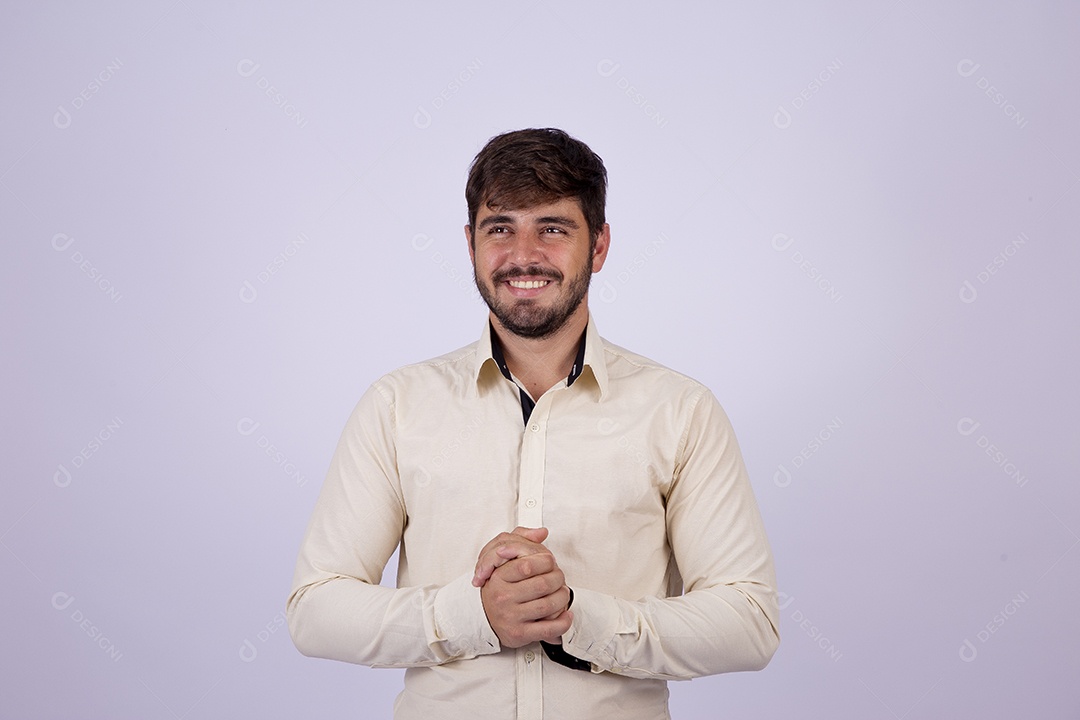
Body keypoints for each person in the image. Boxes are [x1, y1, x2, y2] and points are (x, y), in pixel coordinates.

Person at [286, 128, 779, 719]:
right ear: (470, 244)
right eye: (501, 228)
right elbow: (315, 611)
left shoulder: (681, 411)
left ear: (597, 247)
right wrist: (474, 617)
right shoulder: (395, 406)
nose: (524, 255)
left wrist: (578, 615)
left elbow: (749, 621)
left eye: (552, 228)